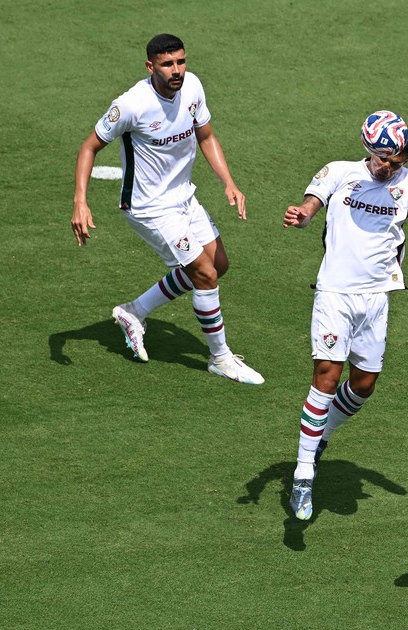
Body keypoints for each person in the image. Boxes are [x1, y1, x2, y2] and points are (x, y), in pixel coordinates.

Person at [282, 110, 408, 521]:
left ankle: (319, 436)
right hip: (335, 294)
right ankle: (303, 474)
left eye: (396, 162)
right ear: (367, 147)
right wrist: (302, 215)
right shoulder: (338, 172)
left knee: (363, 385)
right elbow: (311, 205)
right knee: (326, 375)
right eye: (383, 159)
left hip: (377, 297)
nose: (388, 168)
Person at [70, 33, 263, 384]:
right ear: (150, 66)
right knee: (203, 273)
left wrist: (228, 182)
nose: (177, 70)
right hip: (149, 207)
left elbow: (205, 135)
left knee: (218, 265)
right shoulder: (131, 104)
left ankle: (134, 311)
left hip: (184, 197)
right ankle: (220, 358)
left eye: (181, 61)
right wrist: (80, 202)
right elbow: (88, 147)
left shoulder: (192, 88)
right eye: (167, 64)